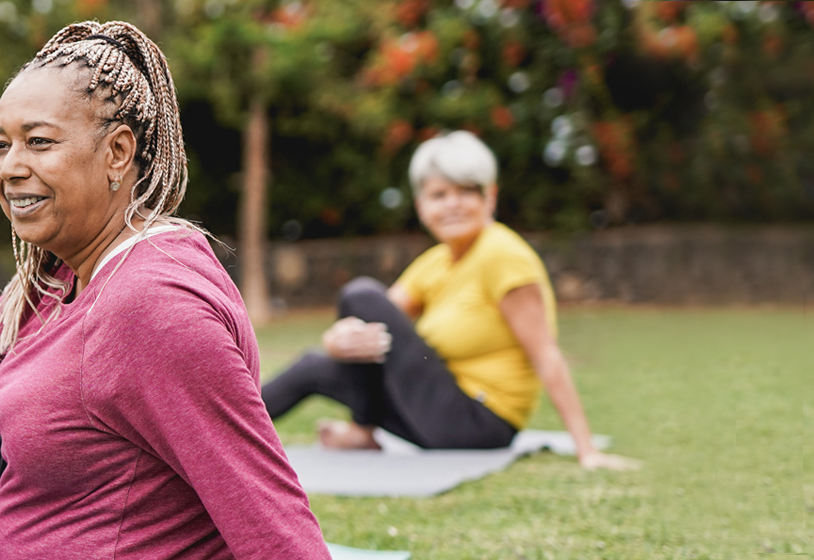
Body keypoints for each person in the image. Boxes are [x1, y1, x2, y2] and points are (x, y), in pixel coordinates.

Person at [0, 22, 328, 560]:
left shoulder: (153, 306)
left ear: (118, 152)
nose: (10, 167)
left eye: (39, 142)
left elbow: (268, 510)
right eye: (1, 145)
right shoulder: (61, 274)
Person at [259, 131, 636, 470]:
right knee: (314, 364)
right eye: (439, 195)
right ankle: (215, 441)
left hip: (479, 422)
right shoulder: (438, 261)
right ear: (422, 206)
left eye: (465, 191)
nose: (452, 204)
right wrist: (336, 341)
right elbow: (375, 321)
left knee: (359, 292)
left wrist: (586, 450)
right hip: (434, 413)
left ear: (490, 197)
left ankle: (362, 431)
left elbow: (545, 353)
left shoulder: (502, 254)